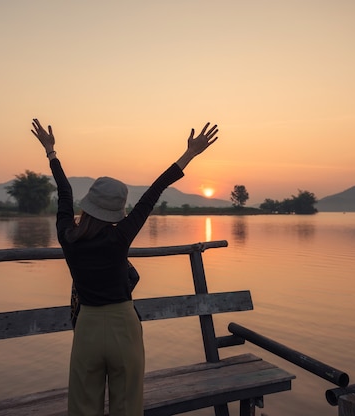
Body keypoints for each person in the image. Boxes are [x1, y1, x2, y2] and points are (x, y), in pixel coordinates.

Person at [31, 118, 219, 416]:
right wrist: (189, 154)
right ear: (116, 212)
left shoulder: (68, 236)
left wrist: (51, 151)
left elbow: (64, 191)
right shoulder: (120, 237)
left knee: (82, 407)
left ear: (88, 205)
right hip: (123, 326)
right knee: (128, 407)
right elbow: (154, 191)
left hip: (88, 328)